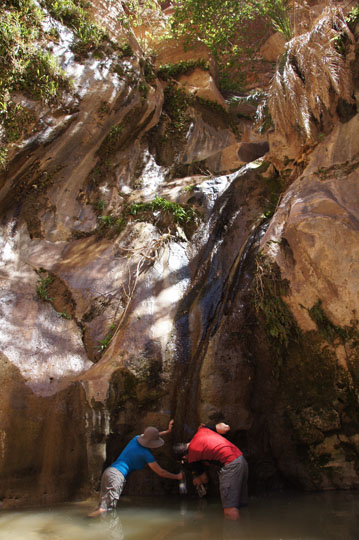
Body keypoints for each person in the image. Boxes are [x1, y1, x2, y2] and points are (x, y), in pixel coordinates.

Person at [88, 420, 182, 517]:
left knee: (102, 505)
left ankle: (91, 523)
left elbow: (149, 436)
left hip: (108, 472)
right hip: (116, 476)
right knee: (105, 509)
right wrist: (177, 476)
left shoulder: (136, 439)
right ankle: (85, 522)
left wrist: (167, 431)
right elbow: (161, 472)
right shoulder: (146, 454)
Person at [173, 423, 248, 521]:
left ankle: (233, 534)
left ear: (184, 457)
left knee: (230, 511)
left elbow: (204, 478)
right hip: (241, 459)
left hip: (230, 466)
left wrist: (199, 480)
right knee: (241, 506)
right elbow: (225, 428)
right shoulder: (202, 430)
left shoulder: (192, 456)